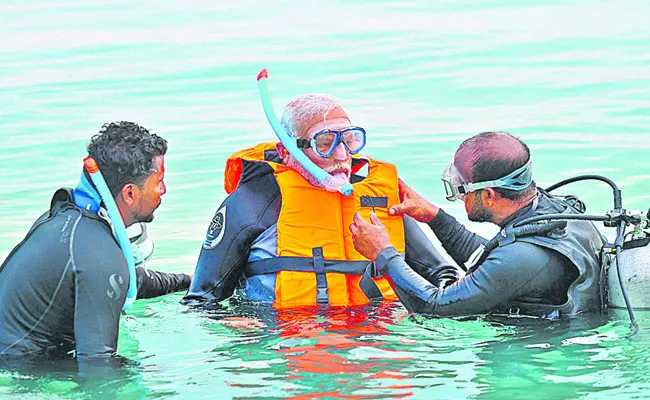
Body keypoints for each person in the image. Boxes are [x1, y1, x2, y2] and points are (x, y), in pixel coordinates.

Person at [185, 94, 456, 308]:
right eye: (324, 143)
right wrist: (235, 324)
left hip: (375, 344)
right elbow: (200, 301)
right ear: (286, 150)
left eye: (350, 140)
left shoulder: (379, 199)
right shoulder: (252, 202)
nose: (342, 155)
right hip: (287, 346)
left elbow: (443, 276)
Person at [350, 131, 606, 318]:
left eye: (461, 190)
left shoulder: (520, 258)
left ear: (489, 195)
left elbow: (434, 307)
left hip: (541, 356)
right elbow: (492, 261)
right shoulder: (557, 212)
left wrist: (383, 254)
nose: (460, 198)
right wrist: (434, 217)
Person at [0, 121, 191, 368]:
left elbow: (128, 280)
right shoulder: (100, 255)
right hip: (21, 371)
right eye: (159, 181)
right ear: (130, 193)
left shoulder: (71, 221)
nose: (164, 190)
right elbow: (98, 366)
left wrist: (189, 281)